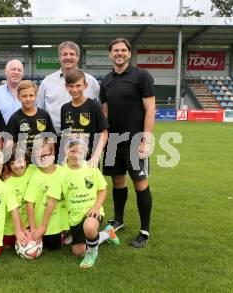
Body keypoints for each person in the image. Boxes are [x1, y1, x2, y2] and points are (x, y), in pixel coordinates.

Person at [100, 38, 156, 248]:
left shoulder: (141, 76)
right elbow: (104, 112)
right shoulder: (106, 80)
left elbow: (150, 109)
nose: (119, 53)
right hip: (114, 141)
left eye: (123, 50)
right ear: (110, 54)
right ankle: (119, 220)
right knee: (117, 181)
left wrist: (146, 139)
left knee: (140, 183)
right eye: (115, 50)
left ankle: (144, 230)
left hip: (135, 141)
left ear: (129, 53)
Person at [61, 139, 119, 269]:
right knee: (78, 252)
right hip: (75, 217)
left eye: (80, 152)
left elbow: (103, 189)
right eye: (72, 151)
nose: (76, 155)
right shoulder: (61, 172)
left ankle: (92, 254)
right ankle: (106, 234)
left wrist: (96, 207)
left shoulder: (91, 168)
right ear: (66, 152)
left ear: (85, 153)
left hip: (92, 212)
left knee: (89, 227)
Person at [37, 41, 100, 133]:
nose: (68, 57)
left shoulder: (91, 81)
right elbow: (39, 111)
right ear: (59, 58)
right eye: (64, 54)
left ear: (78, 57)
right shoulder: (46, 82)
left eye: (72, 54)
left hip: (85, 136)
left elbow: (99, 109)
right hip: (54, 137)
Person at [25, 140, 69, 251]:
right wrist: (34, 229)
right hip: (41, 224)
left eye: (45, 155)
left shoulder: (63, 172)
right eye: (39, 156)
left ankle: (65, 233)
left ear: (53, 153)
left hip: (58, 225)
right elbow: (29, 204)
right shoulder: (35, 175)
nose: (43, 159)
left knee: (54, 248)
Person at [61, 68, 109, 167]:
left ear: (85, 86)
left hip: (90, 159)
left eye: (78, 86)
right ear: (66, 86)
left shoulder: (94, 106)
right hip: (71, 158)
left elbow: (104, 133)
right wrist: (65, 155)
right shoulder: (65, 108)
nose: (75, 90)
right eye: (71, 86)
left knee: (88, 182)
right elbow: (66, 135)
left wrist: (96, 156)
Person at [6, 80, 55, 157]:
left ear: (35, 96)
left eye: (31, 95)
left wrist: (52, 155)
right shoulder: (14, 118)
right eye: (24, 96)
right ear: (18, 97)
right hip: (24, 162)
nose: (28, 99)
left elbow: (51, 137)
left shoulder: (44, 115)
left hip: (42, 158)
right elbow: (10, 143)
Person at [2, 146, 36, 249]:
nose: (17, 166)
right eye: (12, 163)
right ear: (8, 164)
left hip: (30, 222)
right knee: (7, 246)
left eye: (20, 161)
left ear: (26, 160)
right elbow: (14, 208)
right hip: (11, 225)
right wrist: (22, 230)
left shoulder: (33, 170)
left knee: (30, 241)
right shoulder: (7, 181)